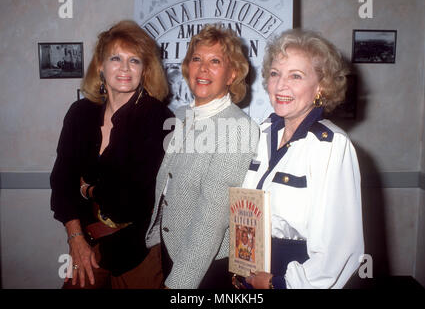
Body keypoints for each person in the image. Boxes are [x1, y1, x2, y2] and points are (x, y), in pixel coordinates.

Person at [50, 20, 173, 289]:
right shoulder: (80, 113)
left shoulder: (159, 118)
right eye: (116, 58)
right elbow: (61, 182)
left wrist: (86, 190)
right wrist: (75, 238)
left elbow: (130, 201)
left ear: (145, 70)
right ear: (101, 66)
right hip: (86, 244)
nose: (125, 68)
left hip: (138, 251)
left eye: (135, 60)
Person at [239, 29, 364, 289]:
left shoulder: (331, 146)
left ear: (321, 86)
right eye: (275, 74)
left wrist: (280, 284)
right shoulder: (261, 134)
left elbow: (339, 249)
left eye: (296, 76)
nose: (281, 85)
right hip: (250, 272)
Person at [144, 24, 259, 289]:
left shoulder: (239, 127)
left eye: (215, 61)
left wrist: (178, 285)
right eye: (197, 59)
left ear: (232, 75)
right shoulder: (182, 115)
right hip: (171, 247)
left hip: (206, 265)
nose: (203, 68)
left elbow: (212, 219)